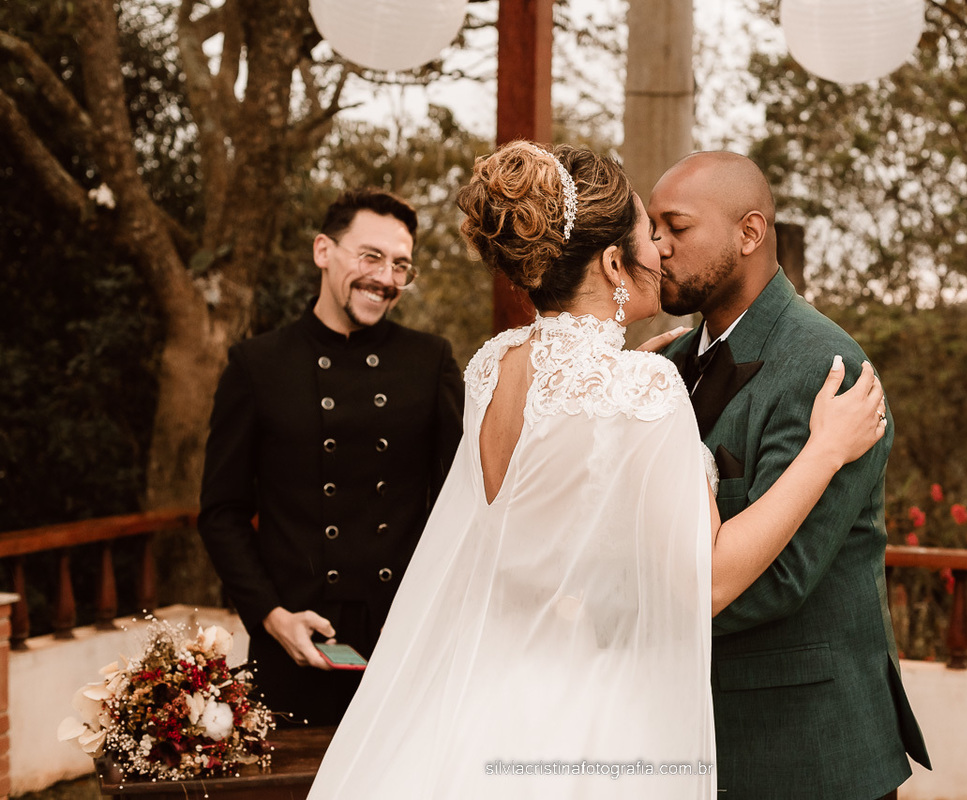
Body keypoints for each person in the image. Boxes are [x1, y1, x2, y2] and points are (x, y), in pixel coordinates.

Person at [309, 142, 887, 799]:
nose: (662, 250)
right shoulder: (641, 388)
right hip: (589, 712)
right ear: (614, 261)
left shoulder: (492, 366)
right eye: (651, 233)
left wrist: (622, 365)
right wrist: (824, 452)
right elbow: (706, 583)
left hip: (493, 696)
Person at [648, 151, 932, 800]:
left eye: (676, 227)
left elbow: (781, 578)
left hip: (806, 750)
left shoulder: (823, 364)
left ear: (749, 233)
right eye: (651, 227)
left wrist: (634, 609)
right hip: (697, 742)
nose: (656, 246)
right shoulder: (667, 364)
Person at [197, 188, 465, 726]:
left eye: (401, 265)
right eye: (371, 257)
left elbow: (462, 503)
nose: (386, 278)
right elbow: (221, 513)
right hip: (295, 646)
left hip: (405, 642)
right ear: (324, 251)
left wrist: (433, 612)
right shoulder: (257, 366)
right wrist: (272, 617)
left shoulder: (429, 361)